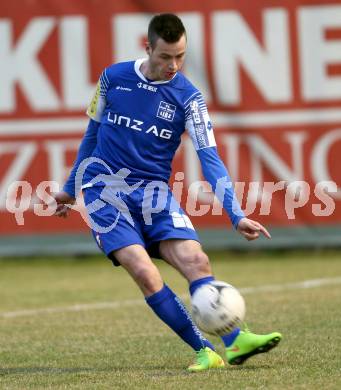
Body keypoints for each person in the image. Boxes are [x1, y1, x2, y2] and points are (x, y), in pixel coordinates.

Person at [53, 13, 282, 372]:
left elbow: (211, 158)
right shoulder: (112, 78)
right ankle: (204, 350)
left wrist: (235, 214)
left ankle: (236, 341)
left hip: (153, 192)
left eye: (180, 56)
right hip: (103, 191)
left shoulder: (189, 97)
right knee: (144, 271)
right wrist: (69, 189)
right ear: (148, 48)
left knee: (196, 261)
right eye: (165, 57)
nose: (173, 65)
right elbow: (91, 134)